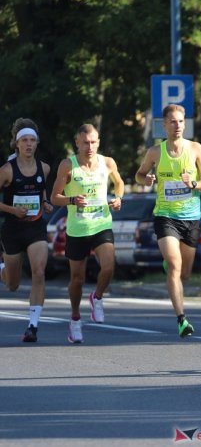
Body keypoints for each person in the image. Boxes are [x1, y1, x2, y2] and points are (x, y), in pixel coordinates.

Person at [135, 104, 201, 337]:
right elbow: (139, 174)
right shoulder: (155, 153)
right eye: (173, 122)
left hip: (190, 218)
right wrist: (145, 180)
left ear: (184, 124)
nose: (177, 126)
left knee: (184, 273)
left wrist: (194, 184)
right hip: (165, 215)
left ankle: (172, 267)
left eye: (181, 121)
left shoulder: (195, 149)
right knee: (175, 265)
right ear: (164, 125)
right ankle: (182, 319)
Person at [50, 124, 124, 344]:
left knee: (109, 266)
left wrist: (118, 198)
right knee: (77, 279)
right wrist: (71, 200)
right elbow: (55, 197)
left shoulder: (108, 162)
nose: (89, 146)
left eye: (93, 142)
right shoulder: (68, 166)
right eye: (85, 142)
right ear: (77, 143)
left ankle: (97, 297)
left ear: (98, 142)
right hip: (78, 229)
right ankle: (74, 320)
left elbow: (119, 184)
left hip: (101, 224)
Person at [0, 118, 54, 342]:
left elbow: (41, 192)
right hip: (13, 230)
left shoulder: (45, 168)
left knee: (39, 272)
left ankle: (33, 326)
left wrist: (46, 203)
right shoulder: (6, 170)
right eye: (24, 140)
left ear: (36, 143)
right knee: (12, 284)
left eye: (32, 140)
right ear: (17, 144)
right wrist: (13, 210)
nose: (29, 144)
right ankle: (2, 265)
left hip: (36, 228)